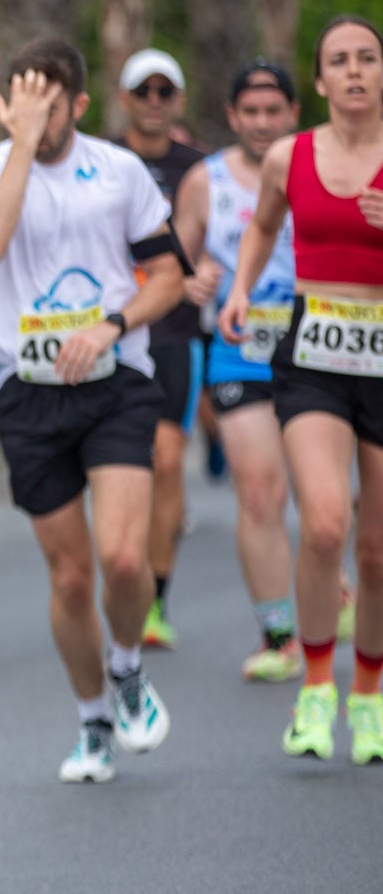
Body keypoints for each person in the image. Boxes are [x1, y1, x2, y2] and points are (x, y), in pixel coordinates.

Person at [0, 38, 180, 784]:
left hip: (116, 378)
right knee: (71, 578)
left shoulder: (118, 170)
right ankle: (91, 720)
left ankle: (126, 666)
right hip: (26, 390)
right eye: (26, 103)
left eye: (53, 105)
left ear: (80, 105)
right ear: (5, 105)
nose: (41, 117)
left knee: (122, 557)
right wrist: (21, 143)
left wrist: (111, 324)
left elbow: (170, 276)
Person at [218, 15, 383, 764]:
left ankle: (369, 696)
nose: (354, 72)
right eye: (339, 61)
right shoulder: (291, 154)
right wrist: (240, 291)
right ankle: (317, 687)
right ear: (318, 81)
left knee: (376, 549)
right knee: (322, 522)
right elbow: (261, 225)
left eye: (367, 59)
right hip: (313, 348)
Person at [174, 61, 303, 681]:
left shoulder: (319, 167)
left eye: (272, 111)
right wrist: (191, 280)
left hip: (323, 349)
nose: (260, 123)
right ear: (231, 117)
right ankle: (278, 634)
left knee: (336, 502)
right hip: (238, 350)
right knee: (260, 491)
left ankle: (337, 586)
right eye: (249, 112)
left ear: (293, 114)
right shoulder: (206, 181)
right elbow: (173, 260)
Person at [113, 49, 207, 650]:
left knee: (168, 462)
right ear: (124, 98)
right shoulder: (101, 162)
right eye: (142, 90)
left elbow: (232, 233)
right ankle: (121, 574)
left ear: (178, 101)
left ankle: (154, 602)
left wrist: (209, 272)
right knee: (125, 468)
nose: (153, 100)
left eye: (163, 91)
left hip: (175, 332)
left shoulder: (200, 168)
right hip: (113, 329)